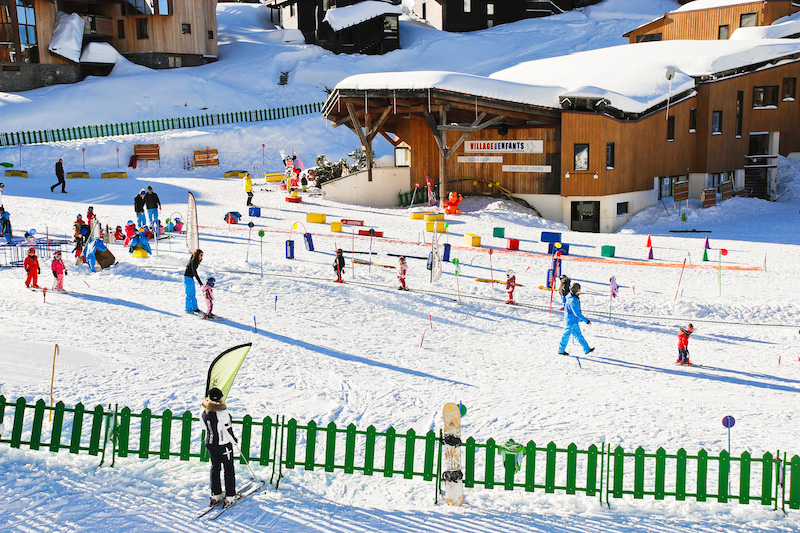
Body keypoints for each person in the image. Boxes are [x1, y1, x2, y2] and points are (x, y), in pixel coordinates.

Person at [201, 387, 239, 508]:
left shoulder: (203, 411)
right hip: (223, 444)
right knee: (228, 468)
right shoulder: (222, 413)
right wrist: (234, 441)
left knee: (215, 467)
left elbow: (203, 427)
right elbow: (227, 429)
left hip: (210, 442)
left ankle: (216, 493)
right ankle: (230, 495)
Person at [558, 283, 594, 356]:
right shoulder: (572, 300)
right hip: (570, 321)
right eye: (579, 289)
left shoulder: (573, 297)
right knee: (566, 335)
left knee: (578, 335)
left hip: (574, 320)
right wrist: (586, 320)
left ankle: (587, 349)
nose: (580, 290)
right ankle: (561, 350)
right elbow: (576, 313)